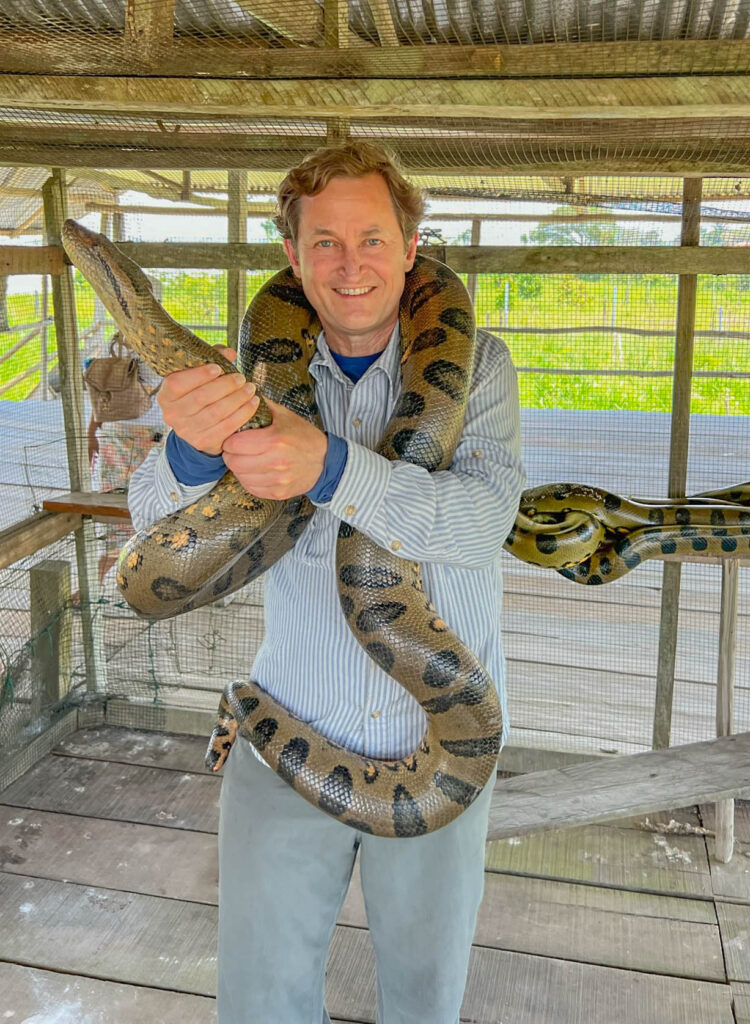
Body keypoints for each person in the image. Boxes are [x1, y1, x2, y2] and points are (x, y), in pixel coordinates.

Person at [128, 141, 525, 1024]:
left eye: (373, 239)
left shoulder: (482, 367)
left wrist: (332, 467)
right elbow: (152, 532)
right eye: (325, 244)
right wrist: (190, 447)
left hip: (445, 743)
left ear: (411, 245)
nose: (351, 265)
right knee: (260, 1000)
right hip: (285, 736)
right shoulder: (253, 381)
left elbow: (479, 522)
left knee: (424, 1001)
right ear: (293, 256)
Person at [87, 330, 165, 582]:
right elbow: (104, 392)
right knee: (122, 504)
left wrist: (92, 431)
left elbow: (104, 395)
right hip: (133, 436)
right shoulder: (149, 345)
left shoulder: (116, 344)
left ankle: (137, 577)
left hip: (133, 434)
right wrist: (92, 431)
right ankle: (105, 576)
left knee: (145, 505)